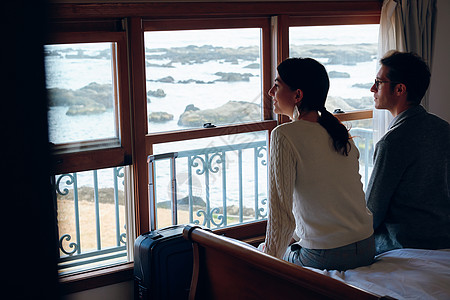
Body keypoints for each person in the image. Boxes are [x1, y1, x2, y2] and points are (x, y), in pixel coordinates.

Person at [261, 57, 375, 271]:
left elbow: (281, 214)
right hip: (367, 246)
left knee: (260, 251)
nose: (270, 92)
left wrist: (266, 266)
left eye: (277, 85)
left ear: (298, 95)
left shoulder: (283, 135)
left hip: (328, 254)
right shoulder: (335, 130)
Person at [366, 51, 450, 255]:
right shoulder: (444, 129)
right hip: (444, 240)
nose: (372, 89)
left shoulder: (392, 142)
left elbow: (371, 215)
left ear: (400, 89)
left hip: (401, 245)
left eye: (378, 82)